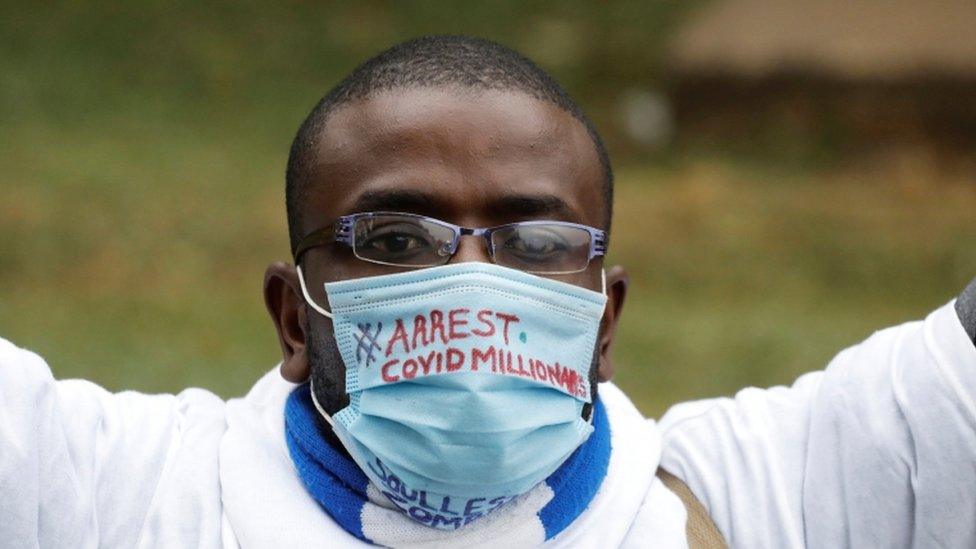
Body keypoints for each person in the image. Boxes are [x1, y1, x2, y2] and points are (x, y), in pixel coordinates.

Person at [1, 35, 974, 548]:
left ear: (605, 321)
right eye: (393, 238)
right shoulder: (109, 500)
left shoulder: (774, 503)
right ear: (293, 317)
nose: (470, 286)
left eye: (537, 240)